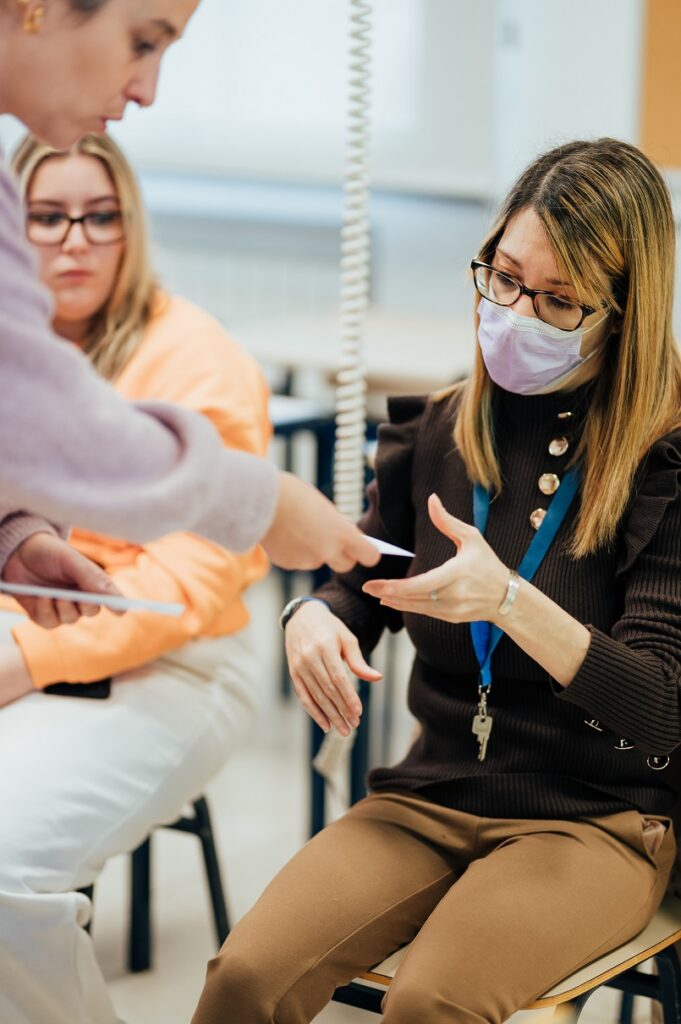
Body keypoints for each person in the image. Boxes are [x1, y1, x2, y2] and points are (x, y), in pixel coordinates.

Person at [191, 138, 681, 1024]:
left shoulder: (662, 463)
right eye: (501, 276)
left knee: (430, 1006)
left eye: (558, 300)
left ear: (623, 312)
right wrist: (311, 615)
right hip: (432, 791)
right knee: (242, 981)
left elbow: (659, 709)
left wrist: (509, 601)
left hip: (591, 819)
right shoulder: (445, 428)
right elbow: (359, 574)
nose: (513, 313)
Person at [0, 128, 273, 1024]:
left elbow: (180, 588)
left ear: (132, 228)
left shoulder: (196, 356)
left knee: (4, 869)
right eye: (47, 216)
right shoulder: (13, 351)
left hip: (175, 663)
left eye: (100, 217)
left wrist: (24, 660)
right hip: (24, 644)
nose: (73, 241)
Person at [0, 0, 379, 629]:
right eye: (143, 43)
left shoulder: (194, 349)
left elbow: (191, 580)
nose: (147, 91)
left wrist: (11, 537)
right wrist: (263, 503)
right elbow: (29, 410)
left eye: (99, 217)